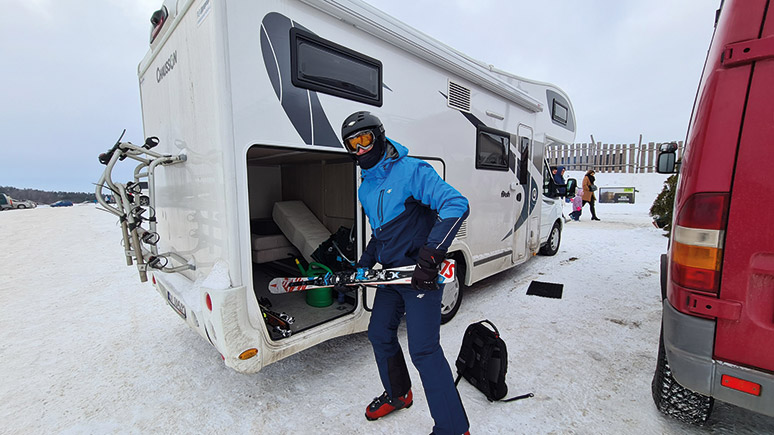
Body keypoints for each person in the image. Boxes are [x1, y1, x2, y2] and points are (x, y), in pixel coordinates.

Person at [341, 111, 471, 435]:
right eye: (352, 144)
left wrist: (430, 257)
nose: (359, 149)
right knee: (379, 333)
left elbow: (456, 204)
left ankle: (454, 429)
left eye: (364, 140)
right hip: (391, 276)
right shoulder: (365, 189)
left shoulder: (412, 171)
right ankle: (399, 394)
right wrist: (364, 263)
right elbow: (380, 233)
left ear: (379, 136)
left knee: (424, 350)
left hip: (420, 277)